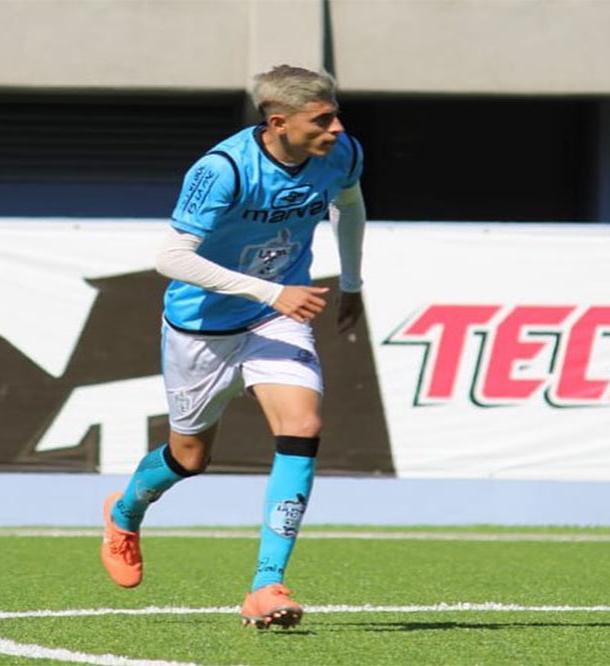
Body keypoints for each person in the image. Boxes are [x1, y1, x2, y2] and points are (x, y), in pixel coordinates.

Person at [100, 64, 367, 630]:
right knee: (189, 459)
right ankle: (125, 510)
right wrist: (273, 290)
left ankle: (266, 583)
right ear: (278, 123)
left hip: (276, 320)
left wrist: (351, 283)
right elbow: (170, 259)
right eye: (323, 119)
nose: (337, 128)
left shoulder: (340, 154)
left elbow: (351, 206)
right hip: (202, 326)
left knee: (303, 427)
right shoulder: (222, 169)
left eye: (336, 113)